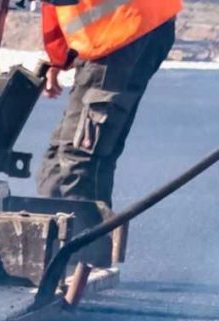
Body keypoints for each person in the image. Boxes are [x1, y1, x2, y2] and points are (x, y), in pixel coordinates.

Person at [35, 0, 182, 206]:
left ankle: (84, 235)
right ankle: (50, 232)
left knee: (79, 158)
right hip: (121, 27)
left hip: (123, 27)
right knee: (59, 161)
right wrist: (58, 58)